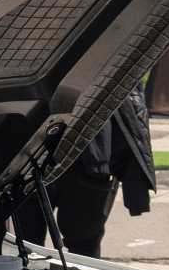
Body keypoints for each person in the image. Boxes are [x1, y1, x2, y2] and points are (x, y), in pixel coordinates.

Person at [14, 85, 155, 256]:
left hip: (87, 157)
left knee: (82, 245)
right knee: (28, 247)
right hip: (35, 152)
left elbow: (130, 97)